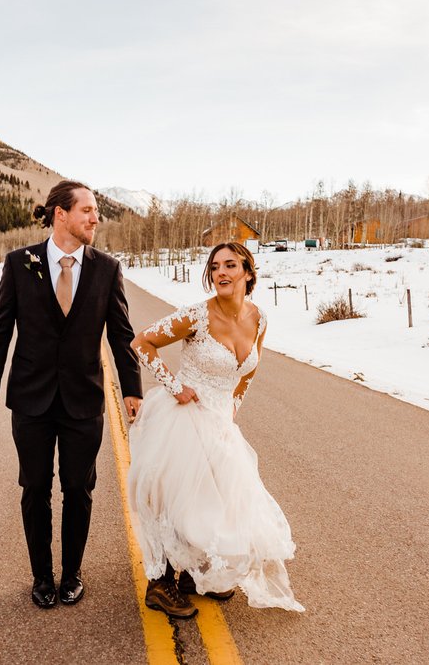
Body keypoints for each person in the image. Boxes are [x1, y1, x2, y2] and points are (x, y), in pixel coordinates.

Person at [0, 180, 143, 609]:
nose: (95, 218)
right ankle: (41, 577)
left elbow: (122, 336)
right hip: (30, 399)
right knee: (34, 488)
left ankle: (71, 573)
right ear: (60, 215)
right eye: (87, 210)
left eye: (96, 211)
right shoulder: (19, 263)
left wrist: (131, 389)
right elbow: (0, 329)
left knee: (79, 489)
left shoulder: (107, 269)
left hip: (84, 401)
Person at [127, 241, 304, 618]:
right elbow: (142, 343)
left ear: (248, 273)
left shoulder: (260, 319)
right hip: (185, 418)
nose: (221, 272)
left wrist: (233, 408)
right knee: (179, 501)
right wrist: (175, 387)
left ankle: (194, 575)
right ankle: (161, 585)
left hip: (220, 422)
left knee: (219, 501)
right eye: (215, 266)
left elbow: (249, 371)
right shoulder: (196, 316)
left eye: (230, 265)